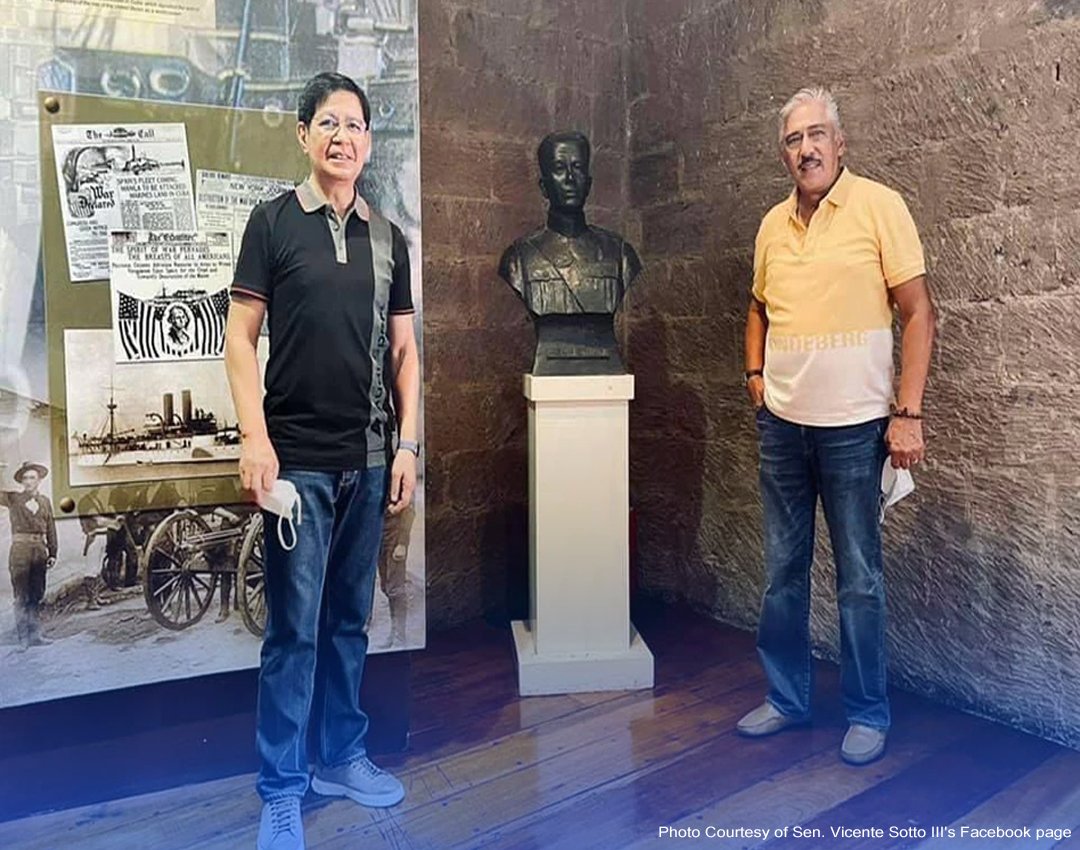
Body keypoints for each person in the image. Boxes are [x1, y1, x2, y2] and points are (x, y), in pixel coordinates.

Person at [224, 71, 420, 850]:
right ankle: (282, 788)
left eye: (356, 125)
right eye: (329, 123)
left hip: (369, 461)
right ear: (304, 134)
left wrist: (407, 445)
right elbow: (240, 340)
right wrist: (255, 438)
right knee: (293, 633)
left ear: (369, 141)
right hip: (297, 465)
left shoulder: (389, 237)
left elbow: (404, 353)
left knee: (347, 623)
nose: (343, 137)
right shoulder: (272, 223)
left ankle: (342, 757)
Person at [737, 88, 936, 766]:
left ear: (840, 143)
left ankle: (867, 711)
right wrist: (756, 376)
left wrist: (907, 413)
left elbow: (919, 313)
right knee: (781, 573)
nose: (807, 149)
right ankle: (787, 699)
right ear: (784, 154)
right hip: (783, 428)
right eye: (794, 140)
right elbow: (758, 307)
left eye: (817, 135)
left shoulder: (880, 206)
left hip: (855, 429)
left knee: (859, 578)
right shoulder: (772, 225)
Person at [498, 130, 642, 375]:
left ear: (589, 183)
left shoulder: (620, 254)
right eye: (559, 168)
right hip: (548, 364)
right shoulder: (519, 259)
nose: (570, 178)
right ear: (544, 186)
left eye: (577, 167)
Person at [1, 462, 58, 650]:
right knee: (21, 596)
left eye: (32, 477)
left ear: (39, 480)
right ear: (21, 481)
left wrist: (53, 552)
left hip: (40, 552)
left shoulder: (45, 501)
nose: (28, 481)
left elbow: (51, 527)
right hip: (20, 552)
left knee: (36, 594)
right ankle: (23, 639)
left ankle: (35, 635)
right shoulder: (13, 499)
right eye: (25, 478)